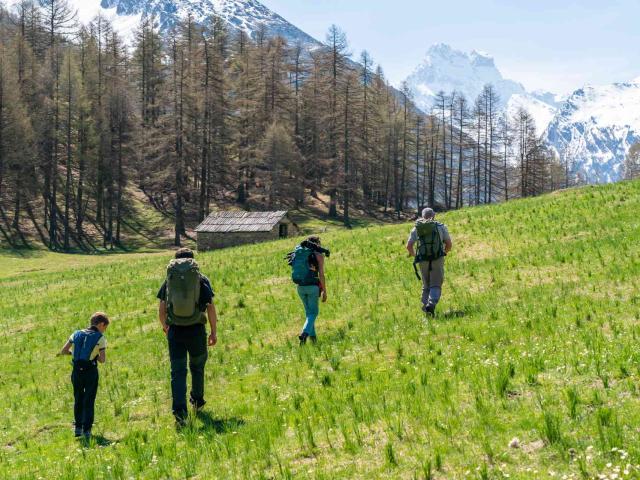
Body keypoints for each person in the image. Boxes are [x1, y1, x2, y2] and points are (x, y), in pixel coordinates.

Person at [157, 248, 218, 425]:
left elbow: (161, 309)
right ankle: (197, 401)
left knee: (178, 372)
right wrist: (213, 331)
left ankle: (180, 413)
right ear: (193, 261)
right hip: (196, 330)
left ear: (174, 261)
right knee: (197, 366)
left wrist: (165, 326)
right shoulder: (200, 278)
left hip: (175, 331)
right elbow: (210, 307)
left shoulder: (170, 279)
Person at [58, 312, 110, 439]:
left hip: (76, 371)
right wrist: (95, 354)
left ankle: (78, 428)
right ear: (101, 324)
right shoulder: (100, 338)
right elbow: (102, 360)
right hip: (90, 371)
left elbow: (64, 350)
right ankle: (87, 430)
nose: (105, 330)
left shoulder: (76, 333)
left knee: (78, 398)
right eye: (105, 327)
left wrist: (74, 353)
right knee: (89, 399)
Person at [406, 208, 453, 315]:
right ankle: (431, 305)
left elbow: (409, 246)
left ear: (422, 216)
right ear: (434, 215)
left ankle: (425, 308)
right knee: (436, 284)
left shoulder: (416, 228)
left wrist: (415, 255)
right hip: (437, 258)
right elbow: (449, 245)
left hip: (422, 259)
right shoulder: (441, 227)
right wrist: (444, 252)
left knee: (426, 284)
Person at [288, 236, 329, 345]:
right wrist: (324, 291)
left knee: (309, 314)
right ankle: (304, 333)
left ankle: (313, 339)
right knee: (313, 313)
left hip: (300, 287)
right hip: (312, 287)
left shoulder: (299, 253)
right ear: (316, 244)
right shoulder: (319, 256)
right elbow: (321, 275)